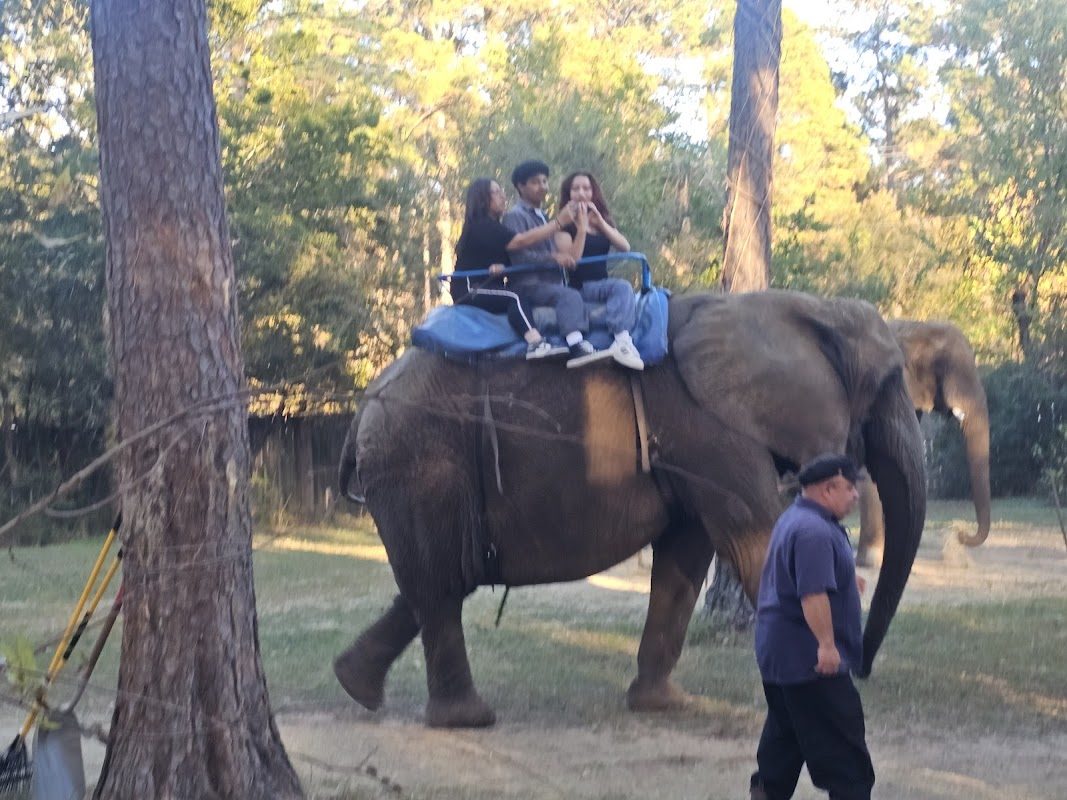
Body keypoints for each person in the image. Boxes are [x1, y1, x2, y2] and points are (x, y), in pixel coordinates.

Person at [750, 453, 875, 800]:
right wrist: (827, 645)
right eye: (848, 488)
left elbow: (798, 576)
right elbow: (811, 594)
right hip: (810, 661)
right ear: (827, 488)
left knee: (781, 750)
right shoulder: (814, 531)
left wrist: (849, 581)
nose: (855, 495)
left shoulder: (796, 518)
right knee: (848, 763)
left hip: (781, 659)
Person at [502, 160, 612, 368]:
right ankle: (575, 344)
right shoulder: (514, 217)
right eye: (535, 182)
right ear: (520, 186)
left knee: (574, 293)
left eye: (545, 181)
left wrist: (581, 229)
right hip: (530, 284)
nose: (542, 187)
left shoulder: (544, 217)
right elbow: (520, 255)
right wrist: (552, 258)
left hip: (551, 283)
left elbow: (567, 255)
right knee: (570, 295)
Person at [451, 177, 574, 360]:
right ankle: (535, 342)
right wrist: (557, 223)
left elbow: (506, 256)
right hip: (470, 288)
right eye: (496, 192)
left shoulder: (496, 227)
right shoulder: (482, 226)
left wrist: (503, 266)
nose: (503, 196)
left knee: (514, 294)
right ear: (483, 198)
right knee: (515, 296)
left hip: (489, 285)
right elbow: (521, 241)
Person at [555, 171, 644, 370]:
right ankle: (621, 338)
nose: (581, 193)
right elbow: (573, 260)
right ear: (568, 194)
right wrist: (581, 229)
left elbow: (625, 247)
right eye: (576, 189)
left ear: (593, 192)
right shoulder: (563, 227)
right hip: (581, 286)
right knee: (622, 287)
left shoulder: (601, 221)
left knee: (622, 288)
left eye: (586, 188)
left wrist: (600, 223)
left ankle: (621, 342)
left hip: (602, 283)